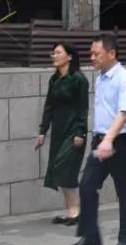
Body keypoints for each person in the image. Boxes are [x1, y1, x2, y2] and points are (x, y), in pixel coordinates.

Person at [68, 34, 126, 245]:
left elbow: (124, 112)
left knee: (125, 192)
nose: (92, 58)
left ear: (111, 53)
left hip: (122, 142)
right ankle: (90, 236)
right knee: (87, 185)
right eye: (91, 53)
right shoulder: (100, 78)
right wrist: (101, 139)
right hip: (101, 140)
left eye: (96, 54)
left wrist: (109, 139)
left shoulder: (125, 79)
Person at [35, 42, 89, 226]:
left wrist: (80, 132)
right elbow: (49, 107)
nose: (54, 56)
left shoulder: (78, 79)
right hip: (59, 130)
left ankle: (76, 211)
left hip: (74, 131)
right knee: (59, 170)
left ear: (69, 56)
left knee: (65, 168)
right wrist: (43, 131)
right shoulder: (54, 79)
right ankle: (72, 211)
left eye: (58, 52)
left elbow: (82, 108)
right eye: (53, 53)